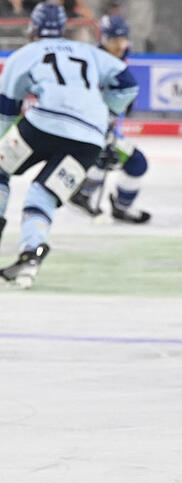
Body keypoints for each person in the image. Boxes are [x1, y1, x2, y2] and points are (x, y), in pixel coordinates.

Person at [0, 2, 137, 288]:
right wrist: (107, 112)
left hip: (43, 125)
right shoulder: (88, 52)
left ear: (33, 28)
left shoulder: (24, 55)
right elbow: (127, 83)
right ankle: (30, 256)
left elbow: (7, 109)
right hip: (89, 139)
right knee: (43, 194)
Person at [69, 13, 151, 224]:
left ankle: (89, 193)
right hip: (89, 127)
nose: (119, 46)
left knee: (124, 159)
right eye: (114, 40)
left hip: (103, 126)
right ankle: (86, 193)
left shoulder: (118, 59)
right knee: (129, 160)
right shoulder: (95, 62)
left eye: (123, 40)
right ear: (103, 39)